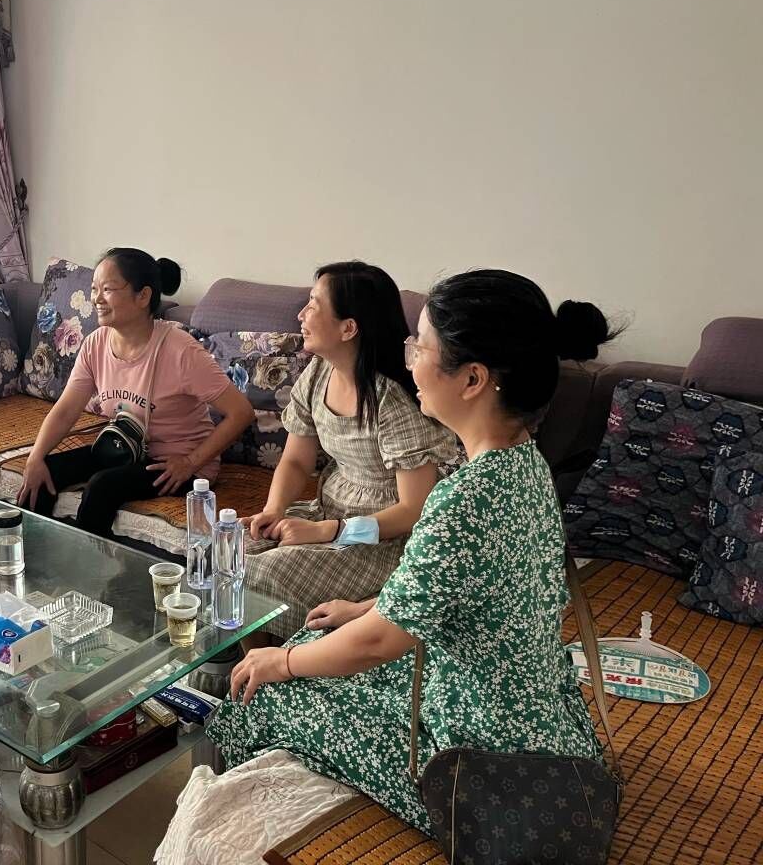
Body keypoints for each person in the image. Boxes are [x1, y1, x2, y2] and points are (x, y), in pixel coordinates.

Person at [206, 268, 617, 835]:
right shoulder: (524, 465)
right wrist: (366, 607)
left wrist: (280, 662)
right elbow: (463, 590)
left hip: (477, 743)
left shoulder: (462, 498)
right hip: (531, 705)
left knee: (262, 694)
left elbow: (379, 642)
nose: (409, 360)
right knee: (317, 639)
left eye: (419, 346)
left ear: (472, 379)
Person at [241, 262, 458, 639]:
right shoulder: (317, 373)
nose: (301, 315)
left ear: (348, 328)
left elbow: (414, 510)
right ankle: (242, 665)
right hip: (330, 509)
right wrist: (274, 510)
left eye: (313, 305)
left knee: (261, 575)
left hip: (382, 536)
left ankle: (273, 666)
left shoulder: (391, 400)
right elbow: (295, 460)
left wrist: (330, 531)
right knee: (229, 549)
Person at [17, 248, 254, 536]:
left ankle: (88, 563)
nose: (97, 298)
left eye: (108, 289)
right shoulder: (96, 344)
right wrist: (35, 457)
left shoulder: (180, 351)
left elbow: (241, 412)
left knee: (103, 486)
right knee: (44, 472)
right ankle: (32, 556)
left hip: (177, 464)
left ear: (143, 296)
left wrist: (191, 462)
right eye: (94, 289)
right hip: (125, 449)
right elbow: (66, 409)